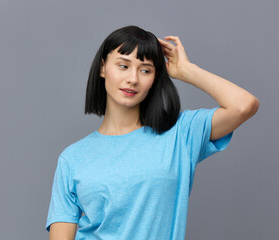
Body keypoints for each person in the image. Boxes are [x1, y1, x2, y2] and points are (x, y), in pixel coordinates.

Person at [45, 25, 259, 240]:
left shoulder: (180, 133)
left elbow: (244, 105)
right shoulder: (72, 158)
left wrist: (186, 71)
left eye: (145, 70)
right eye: (123, 66)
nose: (133, 79)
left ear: (155, 77)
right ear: (102, 68)